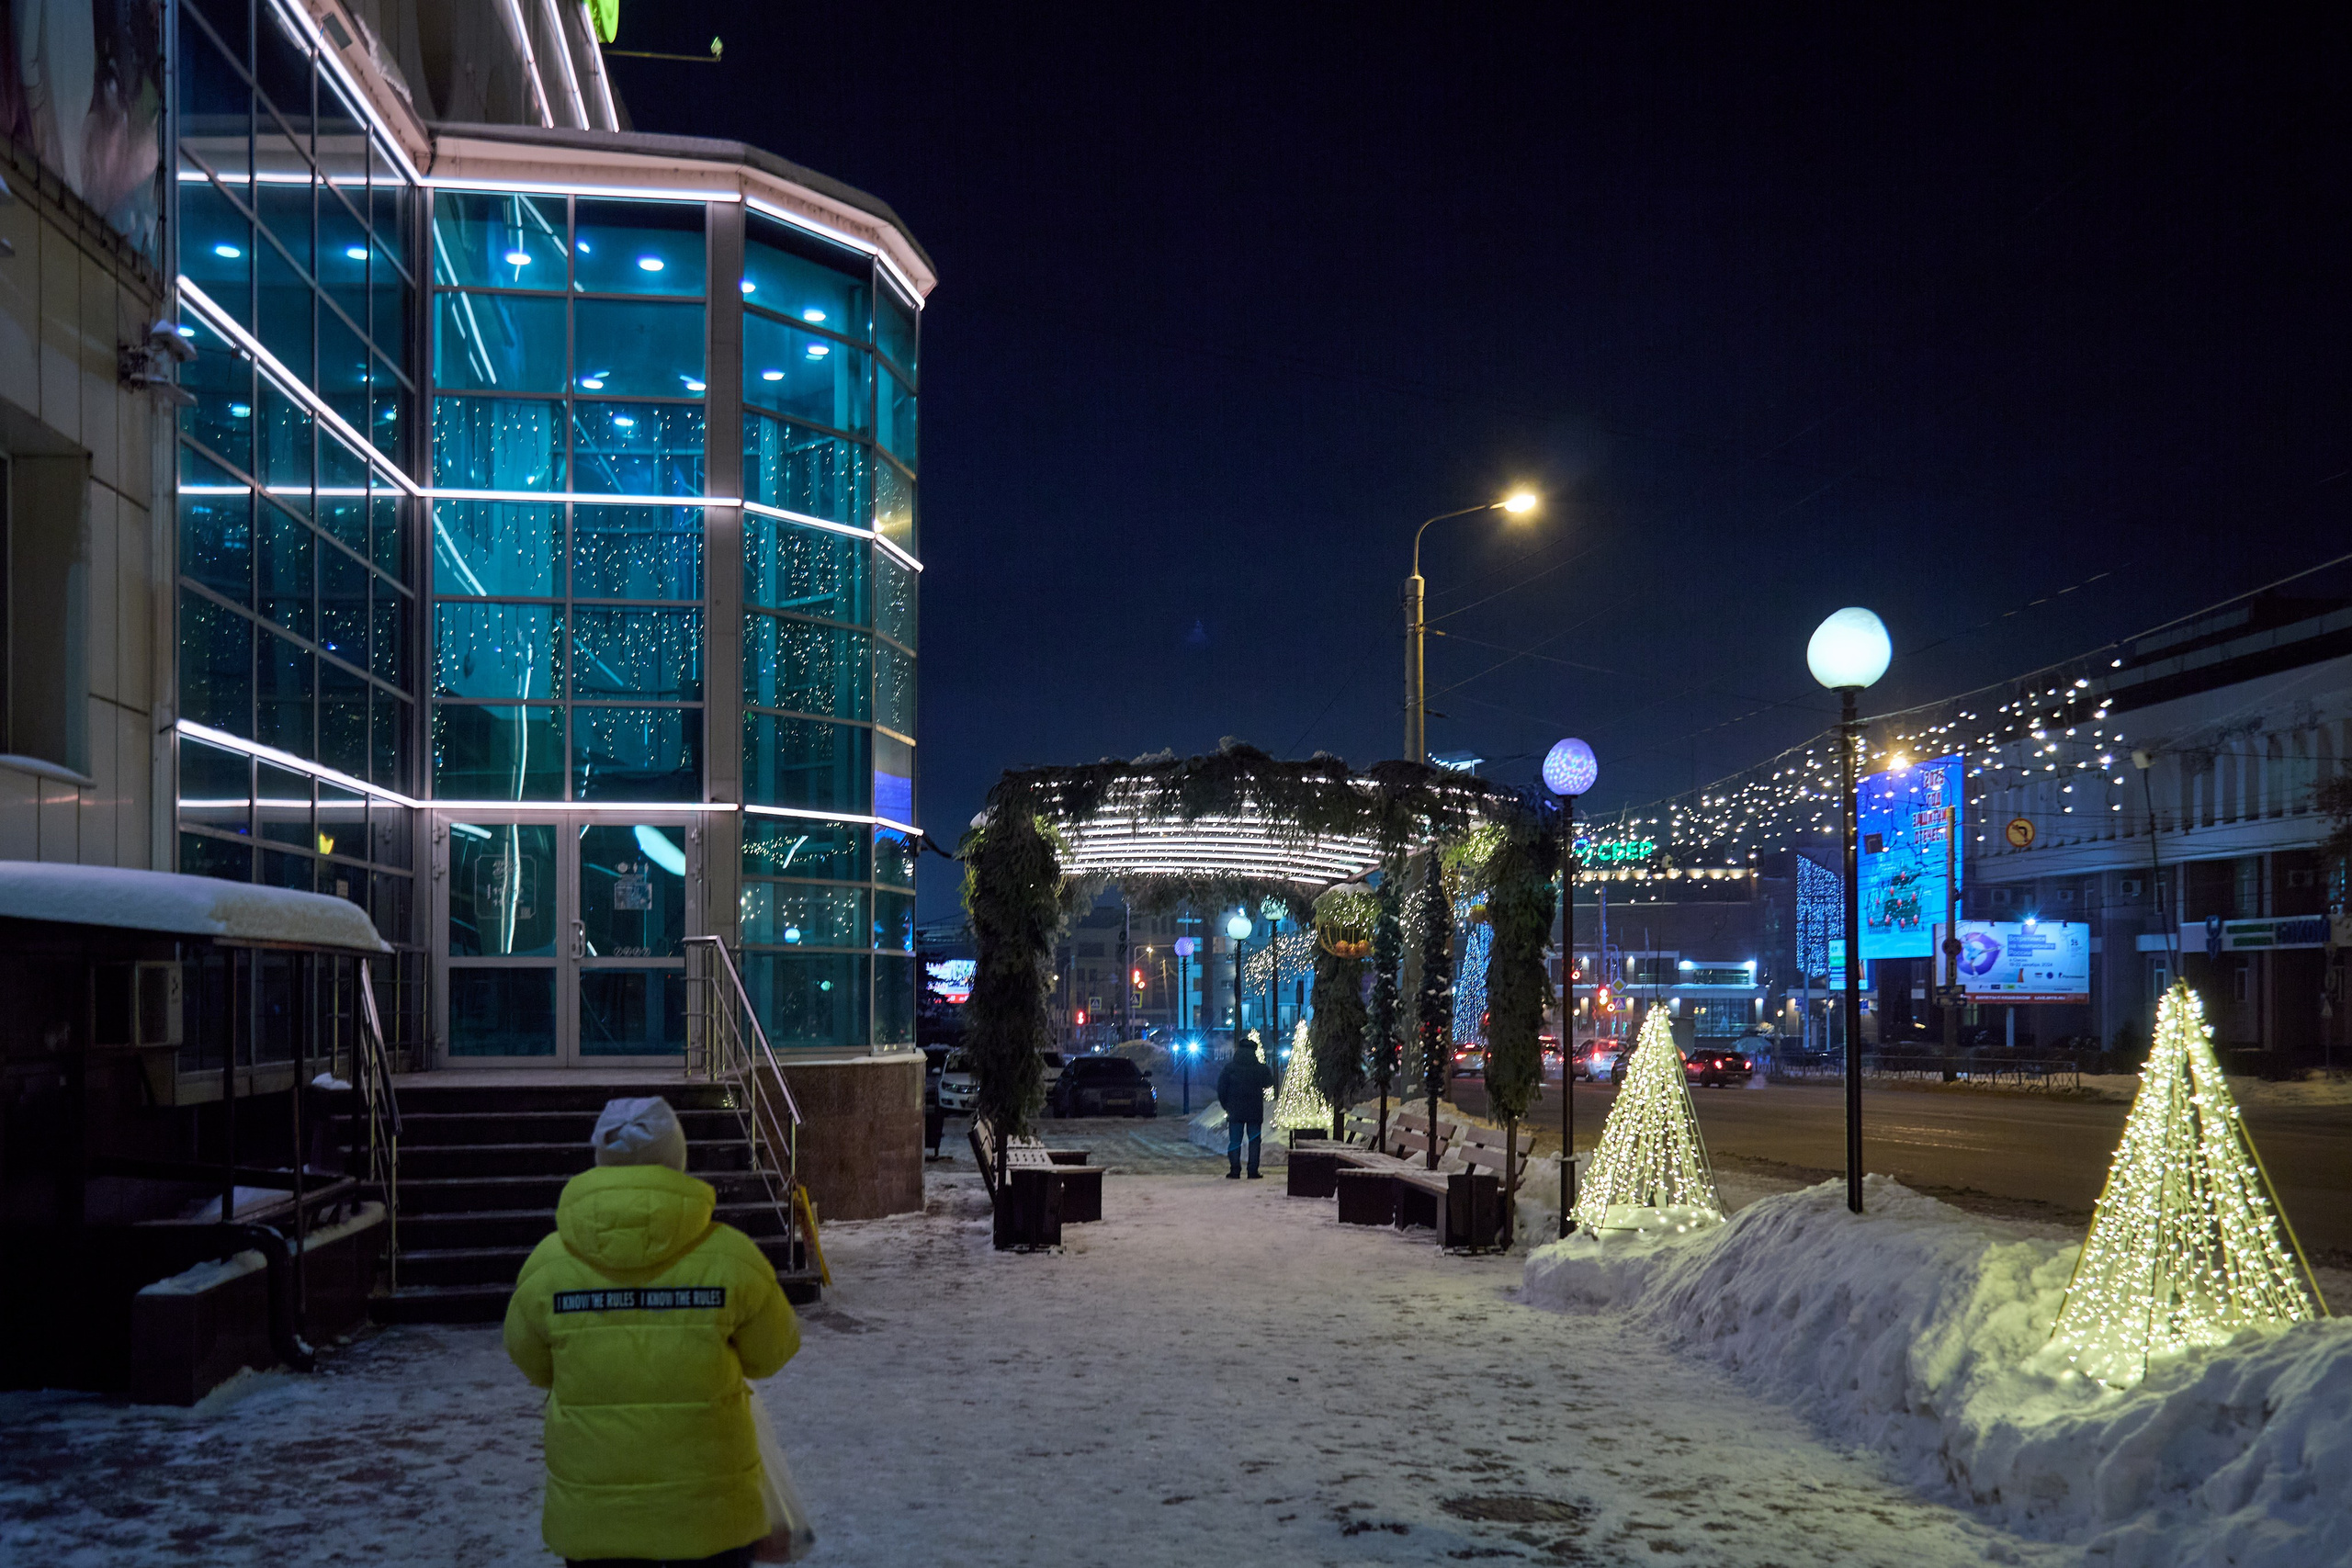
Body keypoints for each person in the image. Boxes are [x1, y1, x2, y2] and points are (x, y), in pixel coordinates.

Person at [504, 1097, 801, 1568]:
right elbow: (773, 1351)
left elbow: (532, 1362)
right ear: (676, 1159)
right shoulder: (732, 1257)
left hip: (597, 1519)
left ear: (601, 1158)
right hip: (712, 1516)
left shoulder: (548, 1266)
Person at [1216, 1032, 1275, 1179]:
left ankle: (1235, 1170)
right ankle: (1252, 1171)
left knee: (1235, 1141)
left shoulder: (1229, 1068)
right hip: (1254, 1111)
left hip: (1235, 1111)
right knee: (1254, 1142)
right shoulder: (1260, 1068)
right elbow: (1269, 1083)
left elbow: (1221, 1089)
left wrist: (1227, 1106)